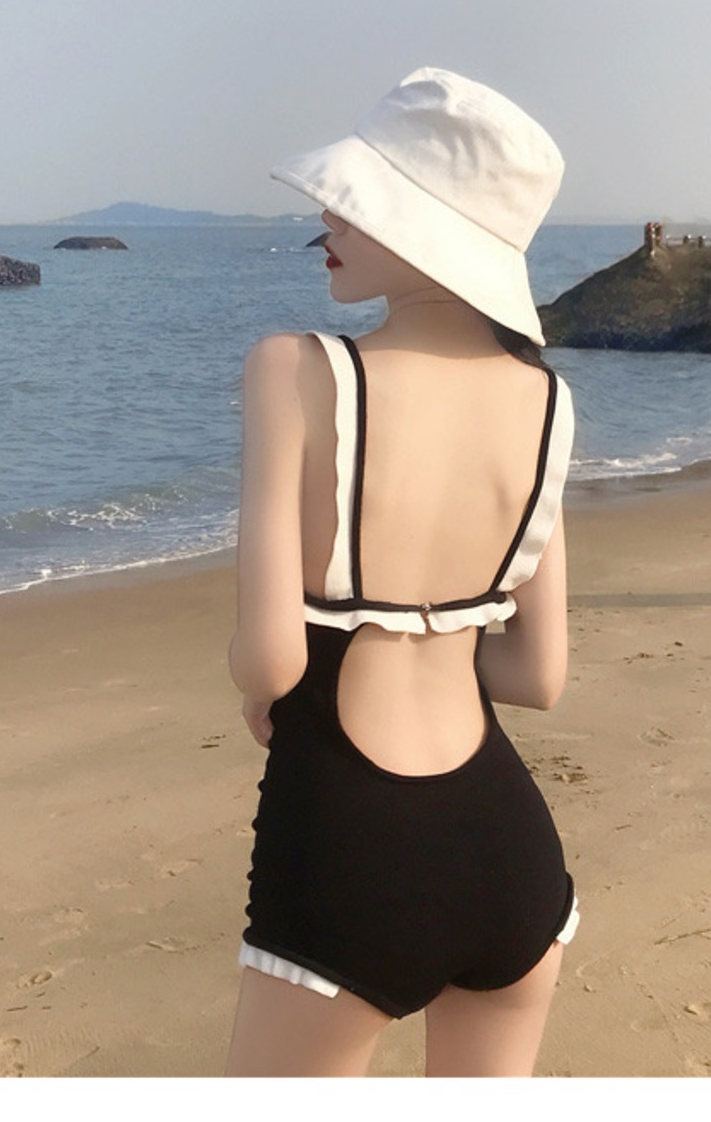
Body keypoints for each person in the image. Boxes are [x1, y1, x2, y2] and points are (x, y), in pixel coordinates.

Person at [224, 67, 578, 1077]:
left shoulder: (296, 369)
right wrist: (436, 639)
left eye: (358, 199)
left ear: (426, 229)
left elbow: (271, 662)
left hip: (350, 846)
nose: (327, 217)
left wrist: (273, 685)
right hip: (509, 852)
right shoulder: (548, 403)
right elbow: (539, 675)